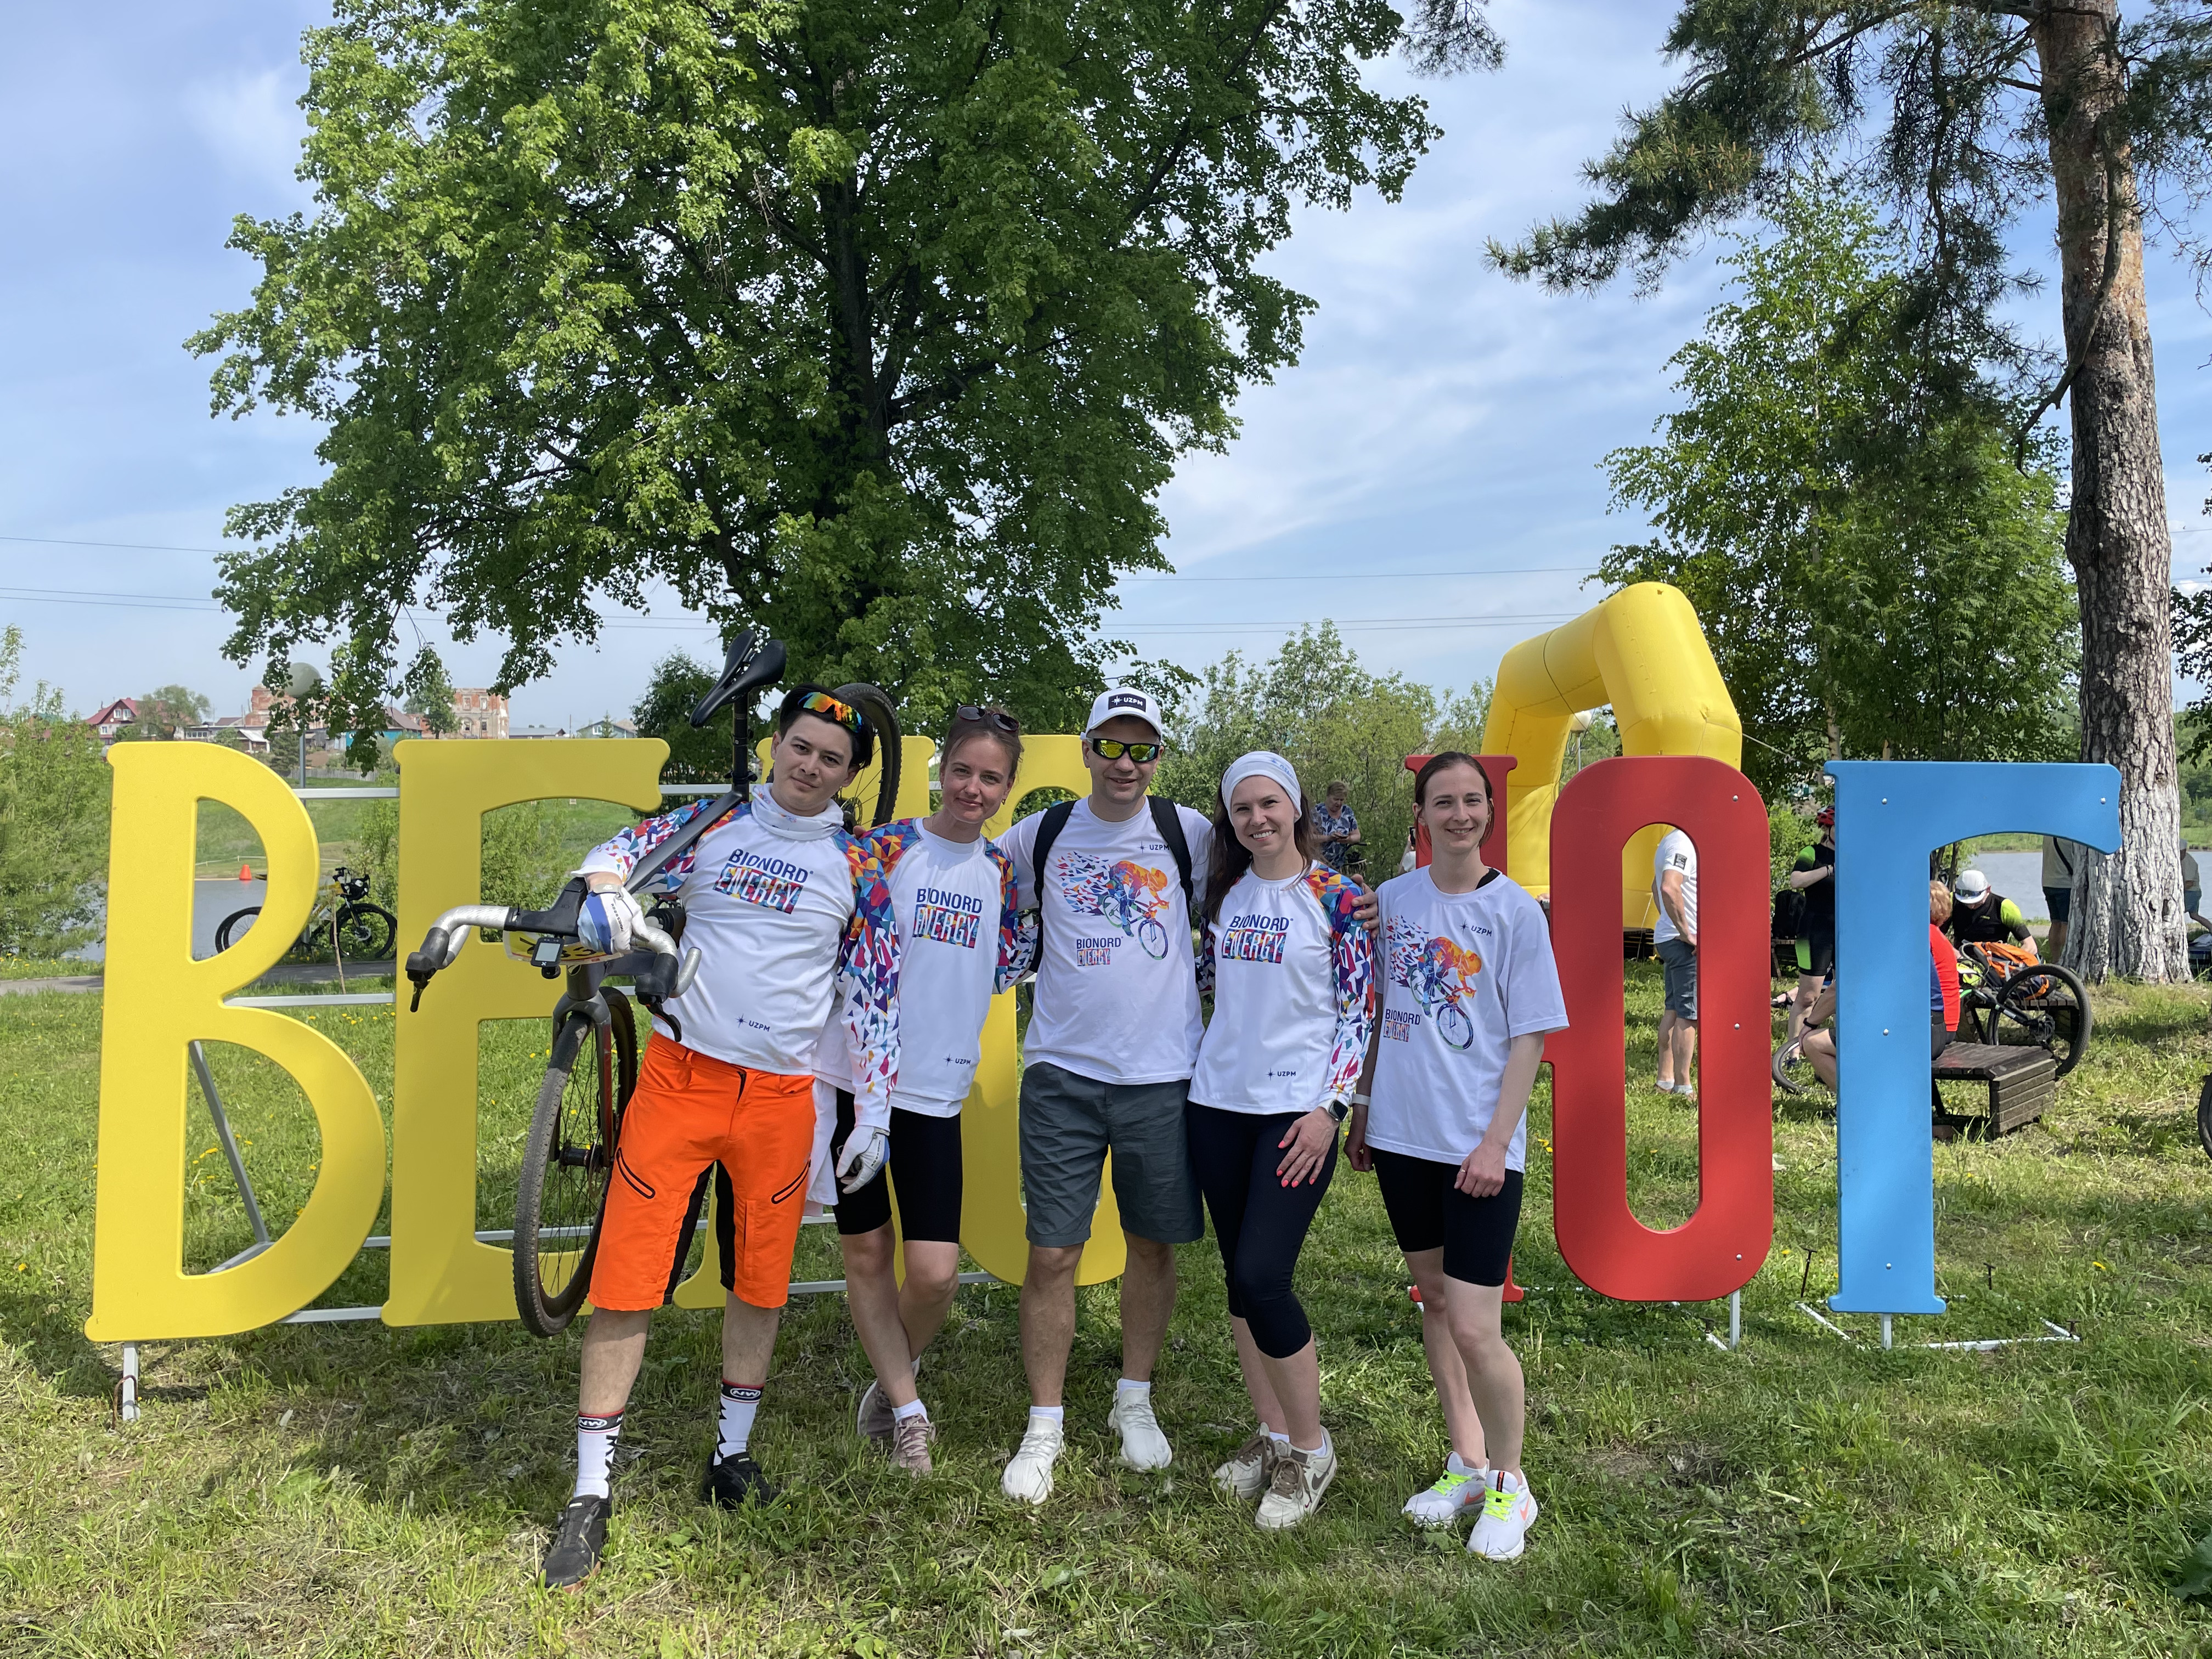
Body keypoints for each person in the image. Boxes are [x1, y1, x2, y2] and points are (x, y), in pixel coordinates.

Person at [537, 686, 900, 1589]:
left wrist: (876, 1109)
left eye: (831, 758)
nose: (810, 765)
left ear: (850, 775)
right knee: (627, 1279)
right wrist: (605, 888)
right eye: (800, 746)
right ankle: (589, 1491)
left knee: (760, 1283)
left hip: (781, 1098)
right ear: (775, 745)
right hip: (680, 1078)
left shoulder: (859, 863)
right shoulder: (712, 821)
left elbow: (876, 992)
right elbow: (614, 854)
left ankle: (730, 1457)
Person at [990, 687, 1216, 1503]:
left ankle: (1135, 1399)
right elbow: (959, 869)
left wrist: (1348, 899)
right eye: (1111, 747)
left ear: (1159, 758)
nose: (1126, 764)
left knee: (1152, 1246)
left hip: (1163, 1076)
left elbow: (1271, 884)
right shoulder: (1040, 834)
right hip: (1062, 1076)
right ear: (1086, 750)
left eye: (1142, 749)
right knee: (1053, 1252)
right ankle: (1044, 1423)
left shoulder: (1189, 833)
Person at [1347, 752, 1567, 1562]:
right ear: (1422, 813)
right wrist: (1363, 1106)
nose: (1460, 814)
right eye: (1444, 801)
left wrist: (1494, 1142)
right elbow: (1380, 1013)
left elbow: (1530, 1037)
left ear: (1489, 813)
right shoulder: (1394, 901)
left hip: (1478, 1148)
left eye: (1473, 800)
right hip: (1402, 1137)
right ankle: (1467, 1463)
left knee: (1477, 1326)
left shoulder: (1515, 912)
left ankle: (1511, 1484)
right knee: (1436, 1303)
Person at [811, 706, 1034, 1476]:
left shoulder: (1001, 872)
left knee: (935, 1274)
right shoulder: (883, 849)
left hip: (936, 1092)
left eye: (991, 778)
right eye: (962, 771)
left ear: (1009, 787)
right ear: (942, 771)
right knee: (868, 1252)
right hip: (854, 1082)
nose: (974, 788)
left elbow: (1004, 968)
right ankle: (908, 1412)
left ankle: (890, 1377)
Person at [1186, 752, 1375, 1530]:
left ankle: (1311, 1448)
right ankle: (1271, 1438)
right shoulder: (1223, 895)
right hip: (1216, 1105)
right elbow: (1205, 985)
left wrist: (1332, 1108)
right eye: (1243, 808)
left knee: (1265, 1276)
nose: (1257, 818)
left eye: (1270, 804)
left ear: (1297, 808)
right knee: (1238, 1281)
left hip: (1297, 1115)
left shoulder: (1338, 898)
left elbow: (1359, 1011)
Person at [1801, 881, 1956, 1091]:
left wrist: (1809, 1025)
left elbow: (1840, 988)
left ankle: (1858, 1102)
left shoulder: (1896, 938)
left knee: (1813, 1043)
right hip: (1935, 1028)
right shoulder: (1920, 935)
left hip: (1916, 1034)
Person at [1651, 825, 1697, 1099]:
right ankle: (1684, 1086)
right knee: (1688, 1014)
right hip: (1683, 944)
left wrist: (1668, 923)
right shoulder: (1684, 842)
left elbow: (1655, 887)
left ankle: (1665, 1079)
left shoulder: (1669, 840)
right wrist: (1686, 932)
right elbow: (1668, 887)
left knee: (1673, 1008)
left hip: (1669, 938)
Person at [1785, 808, 1836, 1042]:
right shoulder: (1812, 852)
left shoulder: (1855, 854)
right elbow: (1796, 880)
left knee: (1844, 992)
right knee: (1808, 996)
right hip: (1815, 929)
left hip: (1846, 931)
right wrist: (1829, 869)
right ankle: (1792, 1050)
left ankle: (1834, 1045)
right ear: (1827, 828)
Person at [1946, 868, 2034, 950]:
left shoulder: (2004, 906)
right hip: (1960, 956)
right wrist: (1952, 952)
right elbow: (1938, 935)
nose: (1971, 906)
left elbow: (2030, 946)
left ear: (1988, 890)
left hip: (1995, 957)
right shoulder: (1950, 901)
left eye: (1977, 902)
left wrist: (2014, 960)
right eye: (1965, 902)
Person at [1312, 780, 1362, 872]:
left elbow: (1357, 836)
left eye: (1342, 800)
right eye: (1336, 799)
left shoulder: (1347, 812)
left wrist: (1348, 839)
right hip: (1317, 866)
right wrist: (1328, 838)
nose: (1339, 803)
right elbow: (1307, 837)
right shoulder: (1316, 812)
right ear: (1328, 796)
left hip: (1339, 866)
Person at [2041, 834, 2076, 961]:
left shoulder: (2047, 836)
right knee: (2066, 924)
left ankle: (2056, 959)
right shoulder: (2070, 838)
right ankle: (2067, 959)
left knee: (2055, 923)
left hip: (2048, 883)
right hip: (2065, 884)